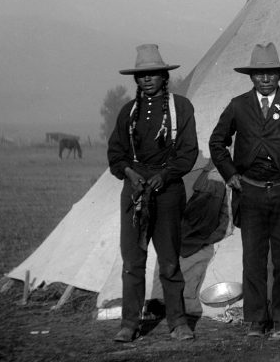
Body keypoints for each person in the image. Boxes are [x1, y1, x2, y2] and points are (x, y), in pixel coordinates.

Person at [208, 42, 280, 337]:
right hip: (251, 192)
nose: (265, 79)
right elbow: (217, 142)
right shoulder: (238, 105)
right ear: (251, 76)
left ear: (279, 76)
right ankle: (255, 318)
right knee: (253, 258)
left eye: (271, 74)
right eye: (259, 74)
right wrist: (230, 174)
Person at [107, 44, 198, 342]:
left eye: (153, 74)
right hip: (134, 191)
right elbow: (116, 154)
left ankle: (178, 322)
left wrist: (165, 176)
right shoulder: (127, 112)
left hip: (168, 190)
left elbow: (187, 153)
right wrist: (131, 174)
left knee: (170, 260)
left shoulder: (181, 108)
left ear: (163, 76)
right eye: (141, 75)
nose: (146, 80)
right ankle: (130, 324)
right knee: (132, 261)